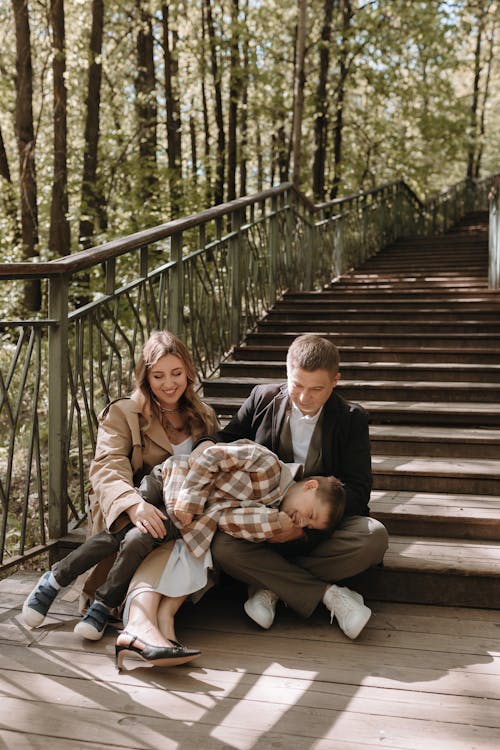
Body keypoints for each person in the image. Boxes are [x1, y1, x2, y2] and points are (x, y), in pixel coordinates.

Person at [21, 330, 219, 664]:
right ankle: (64, 584)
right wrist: (135, 504)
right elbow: (107, 468)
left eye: (176, 373)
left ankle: (83, 592)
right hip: (134, 506)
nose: (169, 384)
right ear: (145, 376)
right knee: (137, 527)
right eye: (158, 376)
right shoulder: (125, 413)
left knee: (145, 533)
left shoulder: (204, 416)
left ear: (188, 371)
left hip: (176, 515)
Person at [203, 334, 389, 638]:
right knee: (222, 547)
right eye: (297, 385)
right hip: (259, 521)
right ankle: (328, 594)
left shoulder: (351, 418)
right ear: (286, 372)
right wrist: (203, 447)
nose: (304, 398)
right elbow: (225, 440)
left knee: (373, 538)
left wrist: (305, 530)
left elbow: (358, 490)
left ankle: (269, 585)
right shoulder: (262, 398)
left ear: (335, 381)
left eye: (317, 389)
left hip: (317, 525)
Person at [114, 438, 346, 670]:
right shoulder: (267, 444)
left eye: (310, 525)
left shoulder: (202, 415)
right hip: (177, 492)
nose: (304, 523)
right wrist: (206, 449)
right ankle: (138, 625)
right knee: (175, 540)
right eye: (310, 516)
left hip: (212, 518)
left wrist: (291, 530)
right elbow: (220, 449)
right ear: (310, 486)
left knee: (198, 546)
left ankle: (165, 624)